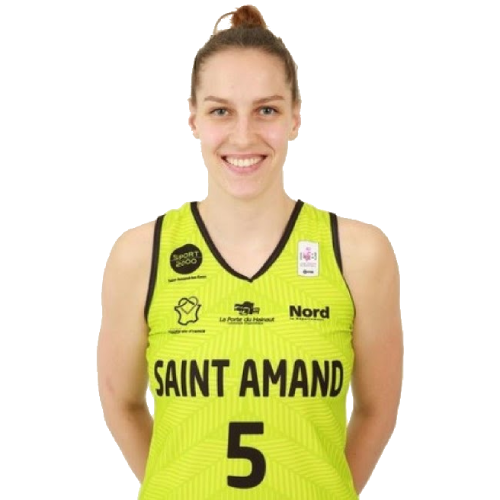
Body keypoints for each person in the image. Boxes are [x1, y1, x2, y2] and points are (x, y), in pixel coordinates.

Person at [96, 4, 403, 499]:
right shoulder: (140, 254)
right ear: (193, 118)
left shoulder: (359, 254)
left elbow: (376, 409)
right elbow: (121, 402)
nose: (243, 136)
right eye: (221, 111)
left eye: (266, 110)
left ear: (295, 116)